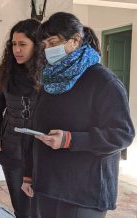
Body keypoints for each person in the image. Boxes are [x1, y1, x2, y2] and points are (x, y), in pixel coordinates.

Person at [21, 12, 135, 218]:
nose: (48, 50)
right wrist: (29, 174)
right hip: (47, 187)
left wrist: (70, 140)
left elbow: (122, 134)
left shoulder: (103, 81)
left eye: (53, 42)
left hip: (83, 194)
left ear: (75, 41)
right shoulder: (50, 81)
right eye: (45, 45)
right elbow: (37, 129)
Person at [0, 19, 41, 218]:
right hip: (12, 150)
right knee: (21, 210)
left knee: (39, 209)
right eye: (13, 44)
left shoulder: (49, 75)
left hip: (41, 152)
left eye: (22, 44)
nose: (16, 50)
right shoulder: (6, 72)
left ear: (37, 45)